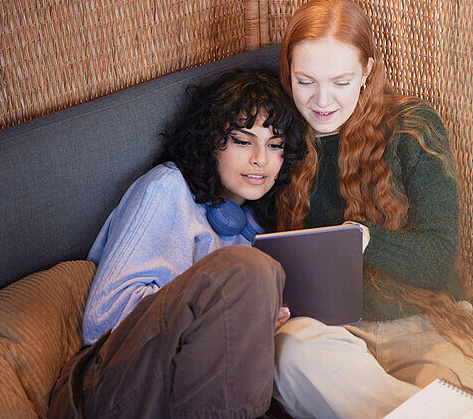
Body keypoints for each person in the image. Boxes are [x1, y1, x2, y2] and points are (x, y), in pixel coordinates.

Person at [272, 0, 473, 419]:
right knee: (289, 352)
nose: (322, 101)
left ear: (367, 72)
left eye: (340, 82)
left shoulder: (411, 127)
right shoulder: (278, 138)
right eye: (305, 81)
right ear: (288, 73)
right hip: (333, 335)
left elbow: (437, 259)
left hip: (426, 323)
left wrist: (363, 238)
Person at [48, 68, 306, 419]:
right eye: (243, 141)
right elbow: (101, 319)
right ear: (211, 140)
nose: (260, 158)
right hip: (108, 388)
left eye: (274, 146)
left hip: (188, 392)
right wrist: (219, 312)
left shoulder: (259, 224)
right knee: (249, 271)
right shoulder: (166, 189)